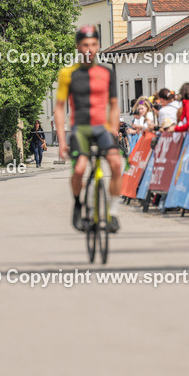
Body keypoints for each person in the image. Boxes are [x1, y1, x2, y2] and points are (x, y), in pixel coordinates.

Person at [55, 25, 122, 234]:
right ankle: (78, 204)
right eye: (85, 45)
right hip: (80, 128)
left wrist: (114, 130)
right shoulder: (68, 73)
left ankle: (113, 212)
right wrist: (62, 141)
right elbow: (59, 108)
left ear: (98, 46)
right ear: (78, 46)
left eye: (93, 44)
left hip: (103, 127)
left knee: (116, 164)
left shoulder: (106, 72)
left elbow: (114, 104)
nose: (89, 49)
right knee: (80, 169)